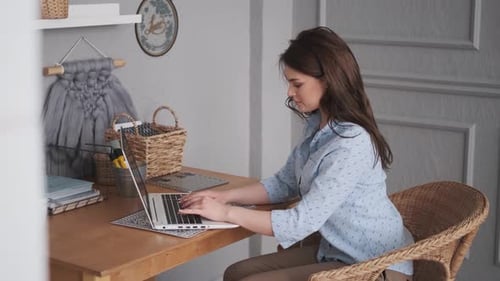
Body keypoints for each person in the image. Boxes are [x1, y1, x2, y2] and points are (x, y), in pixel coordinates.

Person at [179, 26, 414, 281]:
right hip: (338, 252)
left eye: (297, 83)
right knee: (235, 273)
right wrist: (224, 197)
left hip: (377, 265)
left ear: (327, 80)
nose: (290, 92)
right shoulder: (318, 126)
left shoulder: (351, 143)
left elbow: (300, 222)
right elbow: (284, 183)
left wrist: (225, 213)